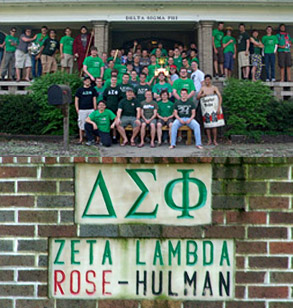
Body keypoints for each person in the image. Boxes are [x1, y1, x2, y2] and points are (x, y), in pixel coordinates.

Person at [197, 74, 223, 146]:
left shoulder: (214, 88)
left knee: (214, 125)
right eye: (206, 80)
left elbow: (220, 97)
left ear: (210, 80)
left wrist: (219, 107)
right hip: (206, 109)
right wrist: (202, 95)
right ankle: (209, 140)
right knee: (207, 125)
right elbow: (197, 97)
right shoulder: (203, 88)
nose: (207, 81)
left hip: (213, 108)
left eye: (208, 80)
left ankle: (215, 140)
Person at [75, 76, 98, 144]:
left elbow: (94, 99)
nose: (87, 82)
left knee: (91, 124)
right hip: (82, 109)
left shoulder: (93, 89)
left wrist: (95, 108)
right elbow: (76, 99)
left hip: (91, 109)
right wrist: (77, 108)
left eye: (89, 80)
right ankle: (81, 139)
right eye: (86, 80)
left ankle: (92, 139)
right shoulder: (80, 90)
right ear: (84, 81)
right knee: (81, 124)